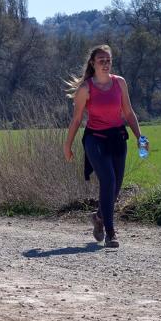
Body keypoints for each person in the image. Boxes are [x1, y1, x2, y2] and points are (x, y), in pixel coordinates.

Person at [63, 45, 148, 249]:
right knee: (108, 180)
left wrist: (140, 137)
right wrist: (67, 146)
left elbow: (128, 112)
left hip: (117, 137)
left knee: (115, 188)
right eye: (101, 60)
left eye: (108, 60)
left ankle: (99, 216)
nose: (105, 63)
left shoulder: (120, 83)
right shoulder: (85, 89)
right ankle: (110, 233)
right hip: (96, 139)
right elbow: (76, 120)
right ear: (93, 63)